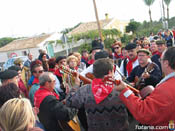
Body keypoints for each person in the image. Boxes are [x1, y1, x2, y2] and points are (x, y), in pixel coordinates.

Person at [115, 47, 175, 131]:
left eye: (161, 59)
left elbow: (143, 113)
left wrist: (124, 91)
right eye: (139, 55)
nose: (140, 57)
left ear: (166, 63)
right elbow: (129, 79)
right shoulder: (136, 68)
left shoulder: (166, 88)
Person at [66, 58, 129, 131]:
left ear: (94, 72)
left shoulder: (85, 90)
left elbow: (69, 102)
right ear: (110, 71)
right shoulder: (122, 88)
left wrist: (76, 86)